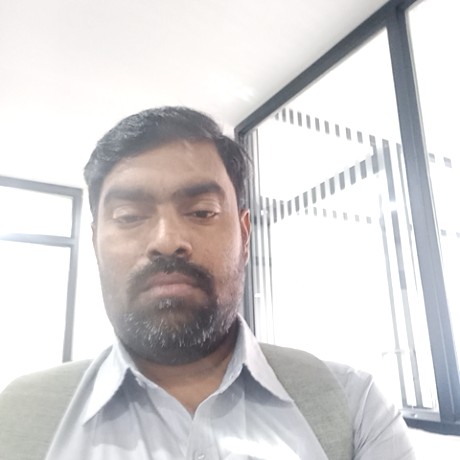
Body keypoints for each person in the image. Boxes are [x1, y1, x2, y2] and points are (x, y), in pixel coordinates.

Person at [0, 107, 416, 460]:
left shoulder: (353, 408)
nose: (167, 241)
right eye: (129, 216)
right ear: (94, 243)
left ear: (245, 235)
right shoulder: (18, 418)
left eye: (201, 211)